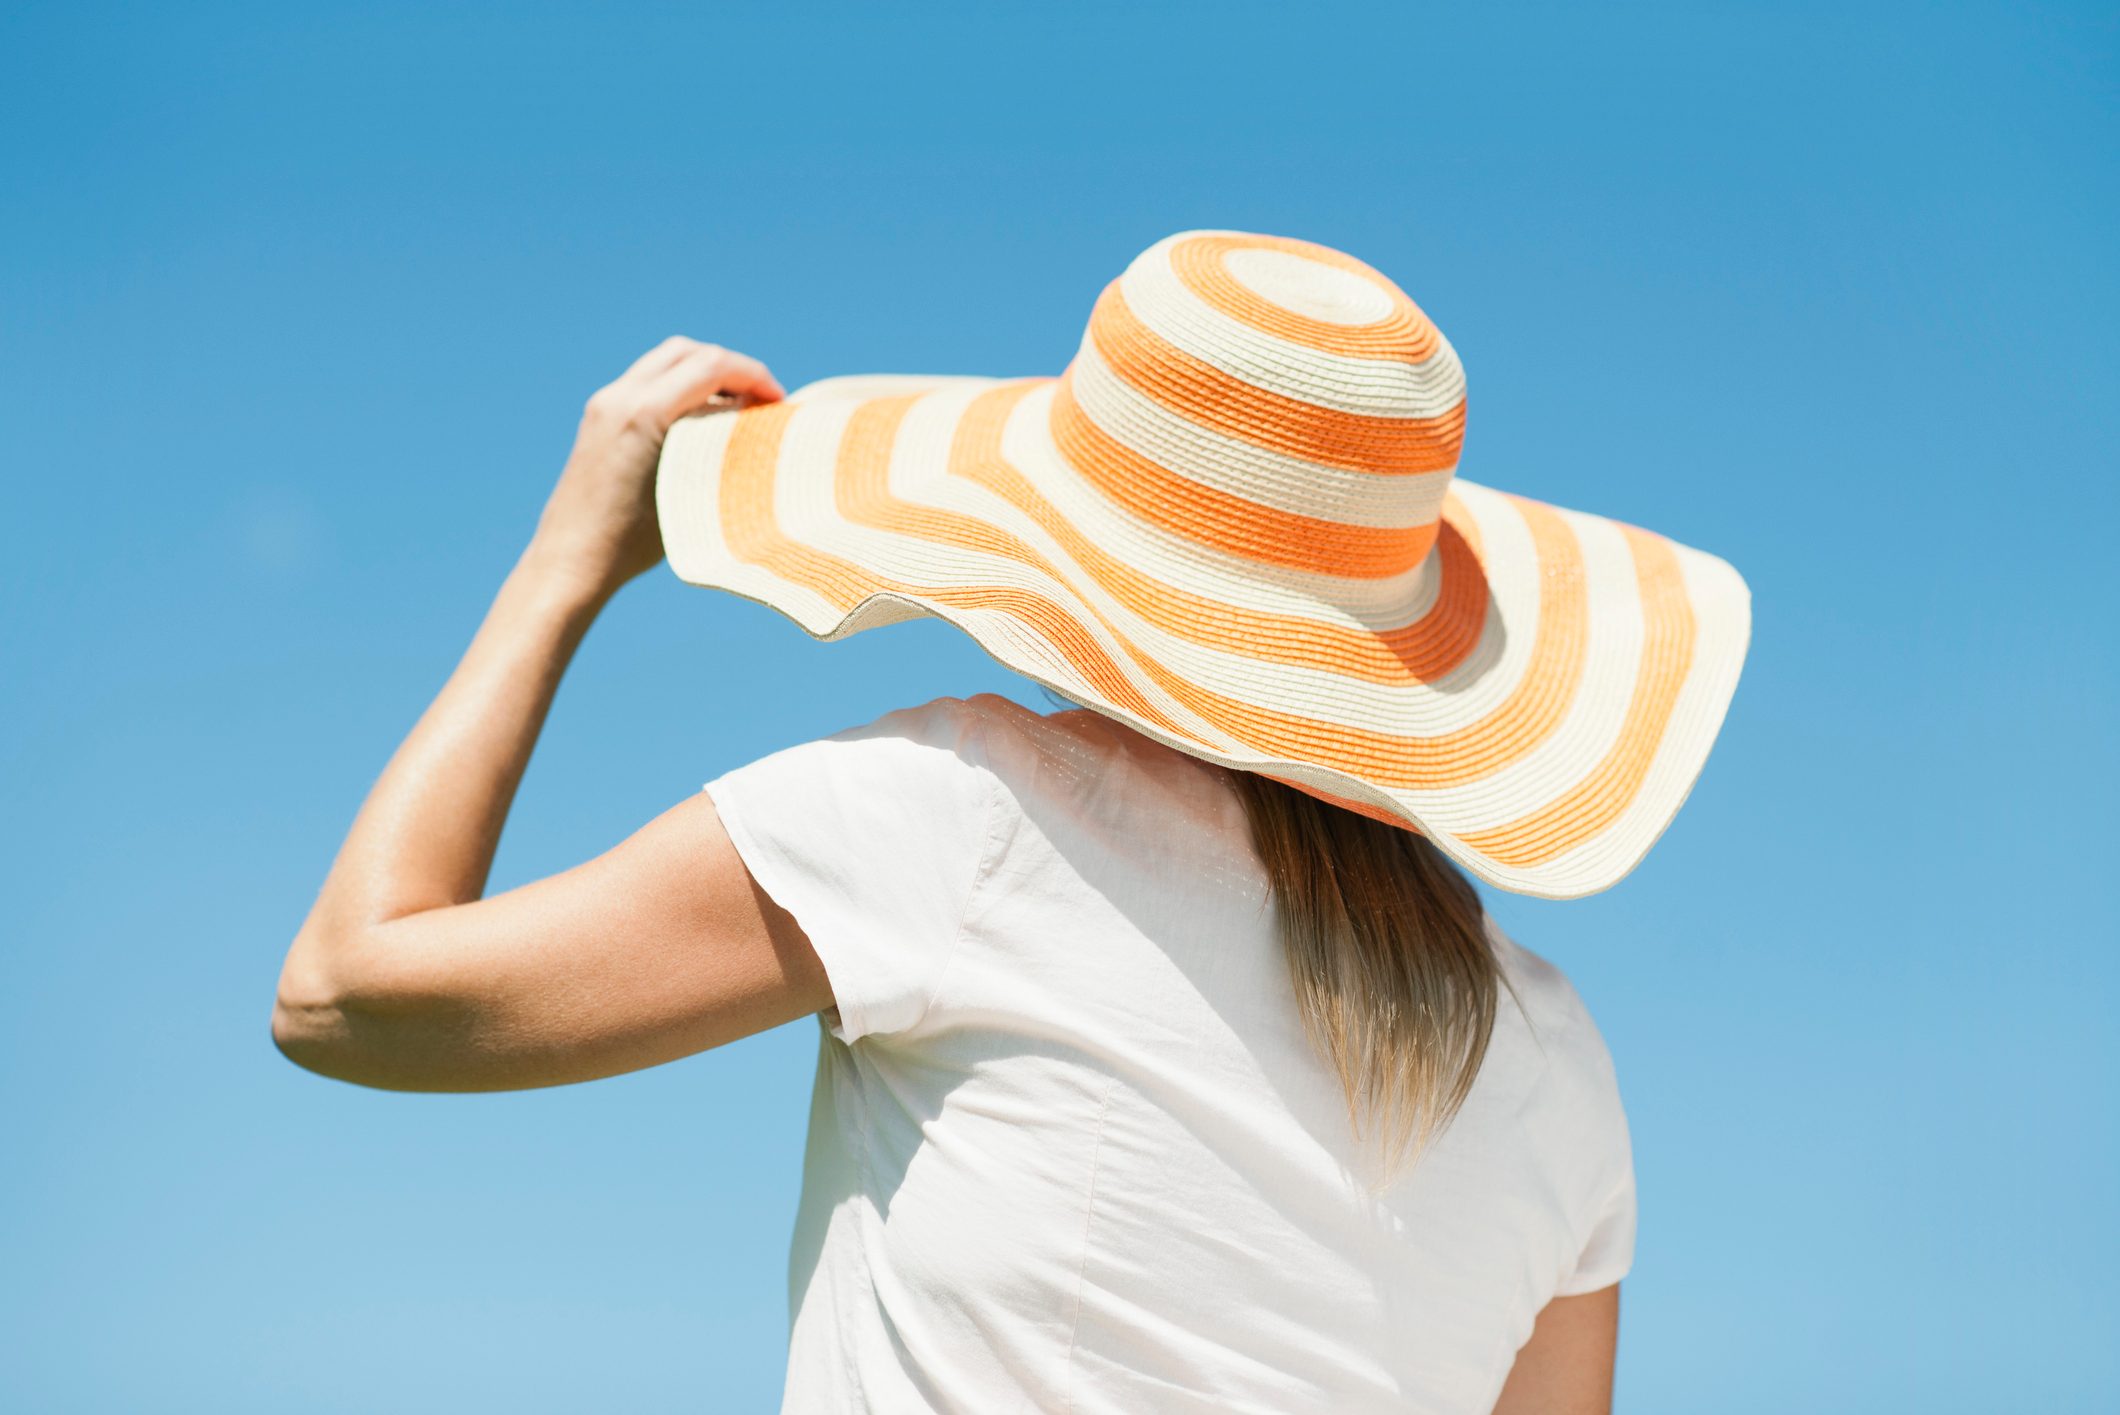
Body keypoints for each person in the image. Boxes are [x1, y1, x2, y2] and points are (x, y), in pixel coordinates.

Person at [273, 231, 1750, 1413]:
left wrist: (564, 568)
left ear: (1063, 538)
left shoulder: (960, 821)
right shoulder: (1557, 1064)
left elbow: (347, 996)